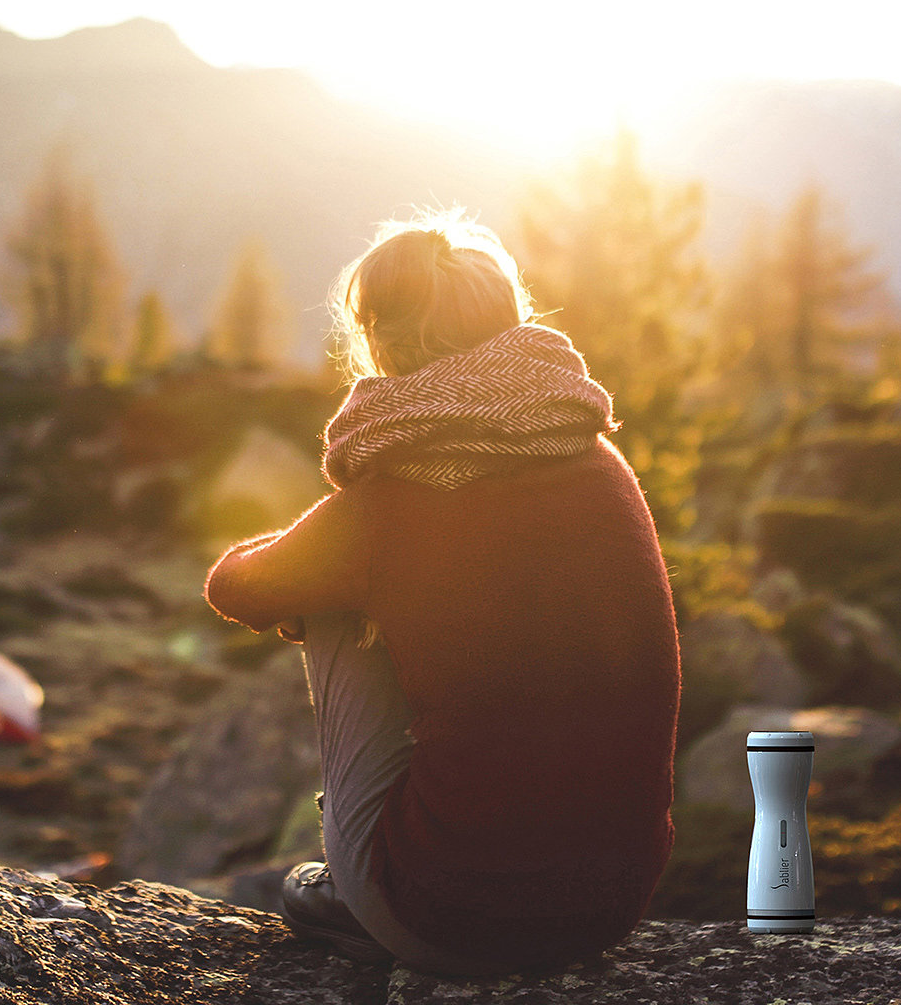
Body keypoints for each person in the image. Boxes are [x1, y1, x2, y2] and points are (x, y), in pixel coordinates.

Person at [204, 212, 681, 976]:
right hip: (612, 906)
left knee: (325, 599)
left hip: (447, 917)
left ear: (383, 344)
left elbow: (237, 587)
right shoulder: (596, 457)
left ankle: (360, 881)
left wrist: (340, 561)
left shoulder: (391, 496)